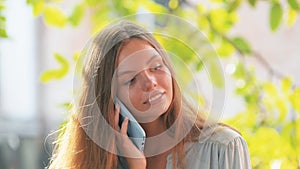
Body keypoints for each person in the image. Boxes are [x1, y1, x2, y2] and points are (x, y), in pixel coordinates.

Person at [48, 20, 251, 169]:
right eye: (131, 79)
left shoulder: (223, 148)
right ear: (111, 101)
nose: (150, 82)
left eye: (156, 67)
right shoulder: (105, 161)